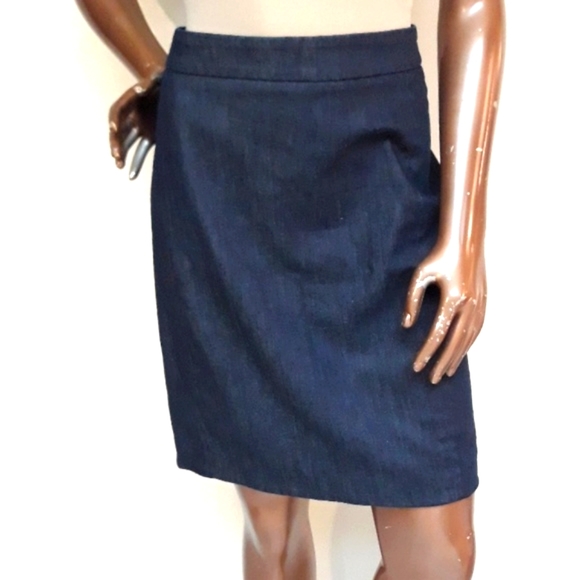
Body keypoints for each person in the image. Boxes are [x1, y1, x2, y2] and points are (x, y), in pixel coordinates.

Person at [76, 1, 505, 578]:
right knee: (271, 524)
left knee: (439, 555)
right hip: (223, 154)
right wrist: (155, 71)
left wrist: (464, 232)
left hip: (378, 145)